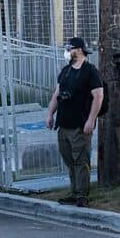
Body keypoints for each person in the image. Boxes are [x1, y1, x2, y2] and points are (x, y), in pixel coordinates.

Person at [46, 37, 103, 208]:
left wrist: (91, 119)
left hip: (80, 124)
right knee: (70, 160)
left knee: (81, 160)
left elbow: (98, 96)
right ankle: (74, 192)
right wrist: (50, 114)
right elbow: (57, 94)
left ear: (78, 50)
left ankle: (82, 196)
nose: (67, 51)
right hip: (63, 123)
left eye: (69, 48)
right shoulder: (65, 71)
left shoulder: (90, 71)